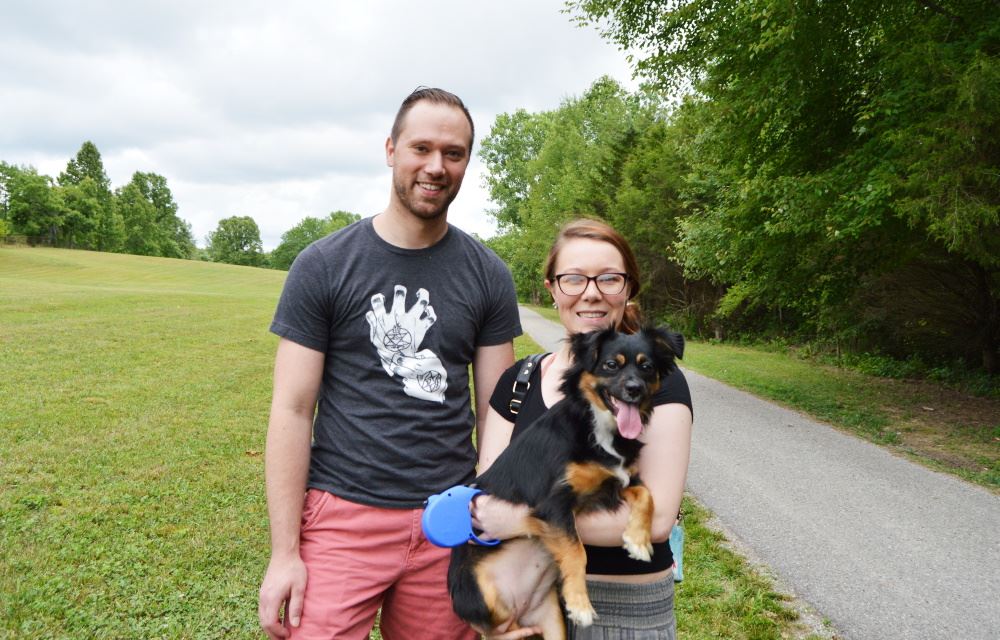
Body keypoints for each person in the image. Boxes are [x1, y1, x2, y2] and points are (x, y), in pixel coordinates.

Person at [257, 87, 523, 640]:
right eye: (421, 148)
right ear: (390, 150)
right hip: (341, 519)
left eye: (453, 153)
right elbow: (292, 409)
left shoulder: (488, 275)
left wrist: (492, 531)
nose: (436, 166)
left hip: (448, 521)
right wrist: (284, 554)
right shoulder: (324, 265)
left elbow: (498, 417)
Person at [473, 218, 693, 639]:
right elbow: (489, 498)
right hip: (529, 595)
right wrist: (497, 616)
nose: (591, 293)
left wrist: (521, 519)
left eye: (608, 278)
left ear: (628, 289)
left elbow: (658, 520)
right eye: (574, 278)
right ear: (552, 288)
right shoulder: (518, 382)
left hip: (623, 610)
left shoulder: (657, 383)